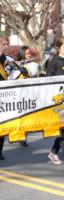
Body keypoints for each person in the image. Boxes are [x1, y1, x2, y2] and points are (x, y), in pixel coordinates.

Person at [14, 45, 41, 147]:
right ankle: (19, 135)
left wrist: (18, 67)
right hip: (18, 93)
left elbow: (26, 72)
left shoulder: (33, 64)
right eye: (26, 54)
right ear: (22, 55)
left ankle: (22, 137)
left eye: (29, 53)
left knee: (26, 116)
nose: (29, 55)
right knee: (19, 116)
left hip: (29, 93)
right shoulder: (19, 64)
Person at [46, 37, 64, 165]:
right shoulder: (55, 61)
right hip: (60, 100)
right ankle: (54, 152)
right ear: (59, 48)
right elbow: (47, 80)